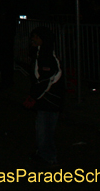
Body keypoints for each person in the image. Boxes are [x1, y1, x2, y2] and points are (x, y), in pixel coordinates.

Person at [23, 26, 64, 167]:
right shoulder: (41, 53)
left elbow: (46, 79)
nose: (33, 39)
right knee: (43, 128)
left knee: (45, 129)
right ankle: (44, 152)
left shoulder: (46, 56)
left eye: (36, 37)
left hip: (49, 99)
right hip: (46, 98)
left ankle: (48, 155)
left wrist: (34, 96)